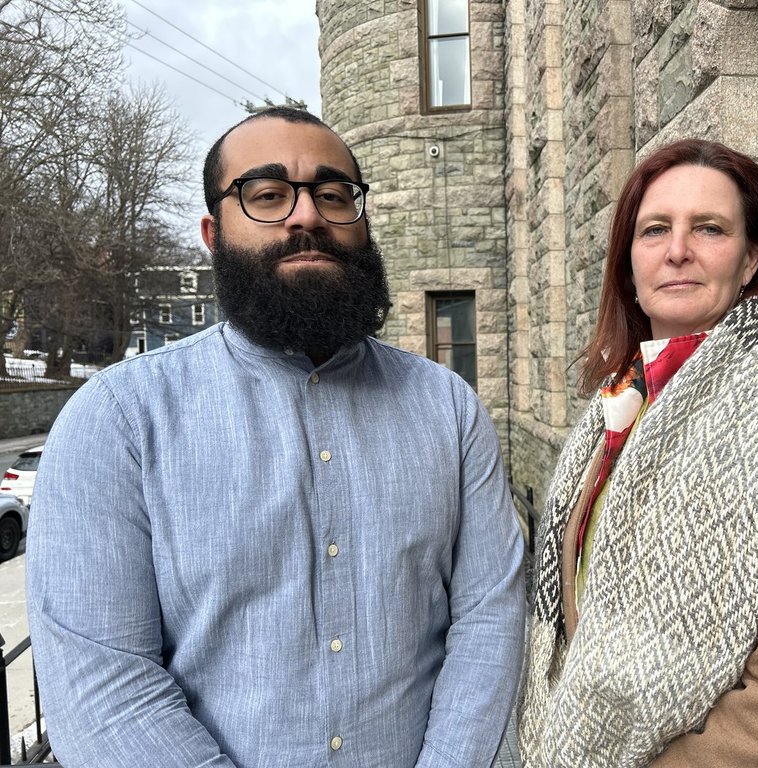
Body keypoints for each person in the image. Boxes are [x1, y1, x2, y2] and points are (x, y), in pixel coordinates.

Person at [27, 107, 525, 767]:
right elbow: (103, 690)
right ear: (213, 232)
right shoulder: (117, 420)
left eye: (333, 193)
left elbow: (490, 626)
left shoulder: (450, 410)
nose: (307, 216)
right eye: (267, 195)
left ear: (362, 221)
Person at [517, 138, 758, 767]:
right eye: (654, 230)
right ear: (630, 264)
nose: (677, 251)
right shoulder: (614, 415)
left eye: (709, 228)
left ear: (751, 260)